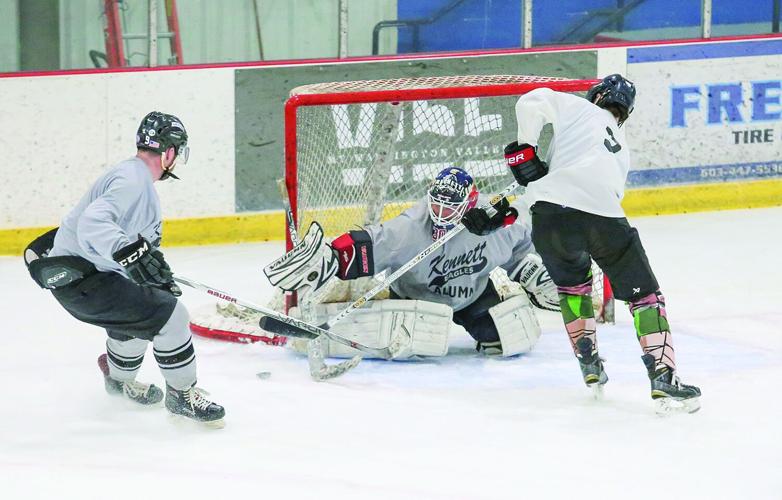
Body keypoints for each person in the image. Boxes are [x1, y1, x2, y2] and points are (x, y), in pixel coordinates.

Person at [462, 75, 701, 413]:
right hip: (604, 220)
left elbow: (530, 102)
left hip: (549, 222)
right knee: (645, 297)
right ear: (625, 113)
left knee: (573, 290)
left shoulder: (577, 108)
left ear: (598, 96)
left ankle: (589, 364)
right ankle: (663, 377)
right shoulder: (621, 146)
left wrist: (521, 157)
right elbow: (586, 193)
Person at [24, 111, 225, 427]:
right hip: (85, 281)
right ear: (169, 151)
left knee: (141, 315)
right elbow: (94, 223)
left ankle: (118, 383)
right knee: (172, 317)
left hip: (80, 282)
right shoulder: (133, 181)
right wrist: (132, 255)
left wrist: (142, 266)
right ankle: (182, 396)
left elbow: (99, 232)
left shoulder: (132, 177)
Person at [265, 166, 561, 359]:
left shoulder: (492, 222)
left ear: (470, 203)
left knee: (510, 342)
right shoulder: (409, 229)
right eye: (437, 203)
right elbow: (369, 243)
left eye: (451, 206)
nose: (441, 213)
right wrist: (331, 257)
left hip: (473, 297)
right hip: (415, 300)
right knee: (413, 353)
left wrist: (532, 273)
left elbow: (522, 243)